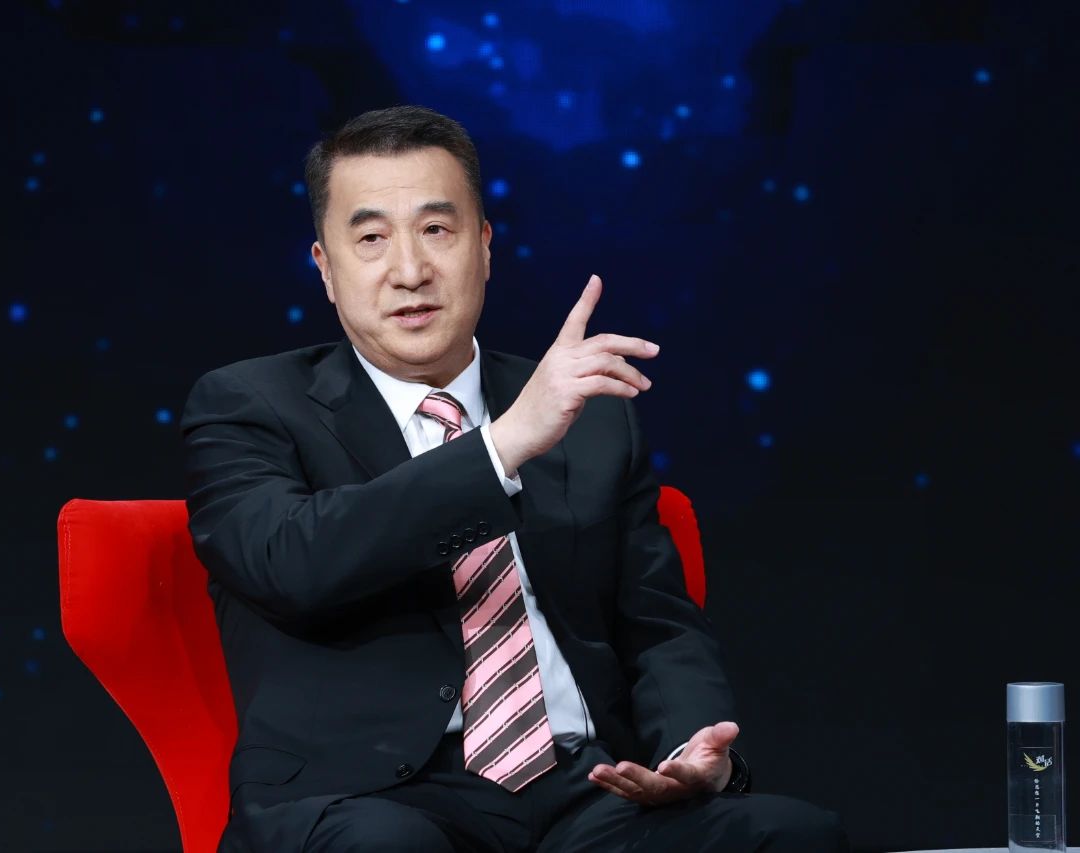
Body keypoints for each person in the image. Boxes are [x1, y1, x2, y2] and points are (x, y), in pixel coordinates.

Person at [181, 105, 848, 852]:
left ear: (485, 246)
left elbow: (656, 624)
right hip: (363, 797)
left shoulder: (588, 417)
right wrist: (500, 448)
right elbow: (292, 561)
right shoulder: (249, 403)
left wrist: (688, 748)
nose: (410, 270)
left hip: (583, 792)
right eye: (371, 238)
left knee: (793, 834)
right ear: (326, 268)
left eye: (438, 229)